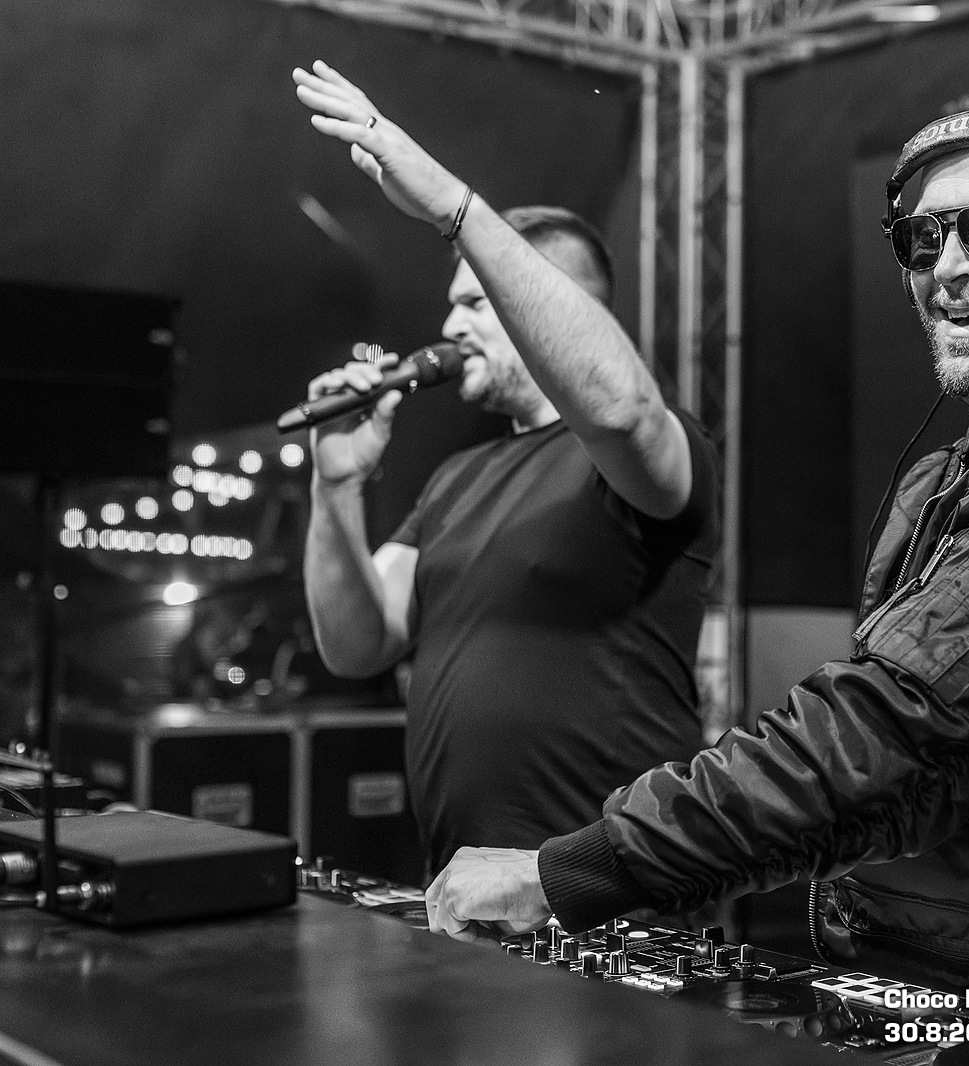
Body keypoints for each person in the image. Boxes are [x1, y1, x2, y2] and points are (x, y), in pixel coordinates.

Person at [303, 81, 969, 1026]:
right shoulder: (964, 467)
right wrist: (335, 484)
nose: (948, 268)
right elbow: (922, 769)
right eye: (922, 239)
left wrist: (572, 870)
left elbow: (890, 733)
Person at [295, 79, 720, 876]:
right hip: (462, 894)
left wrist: (452, 206)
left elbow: (622, 410)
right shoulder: (456, 479)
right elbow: (357, 644)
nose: (449, 324)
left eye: (476, 301)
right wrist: (338, 487)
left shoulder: (652, 442)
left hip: (608, 899)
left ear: (548, 303)